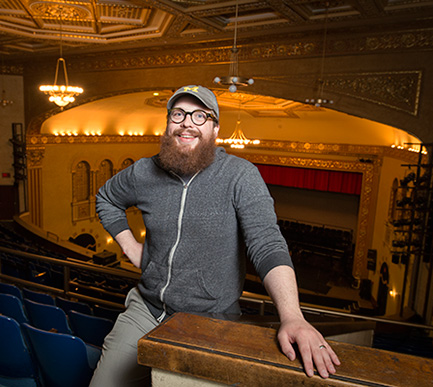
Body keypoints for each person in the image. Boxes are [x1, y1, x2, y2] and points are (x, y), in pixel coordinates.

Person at [91, 85, 340, 386]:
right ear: (168, 123)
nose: (187, 123)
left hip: (208, 320)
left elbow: (267, 245)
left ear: (215, 128)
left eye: (200, 116)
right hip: (146, 309)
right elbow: (107, 198)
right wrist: (129, 245)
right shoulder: (144, 172)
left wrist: (292, 317)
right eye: (179, 114)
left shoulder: (240, 176)